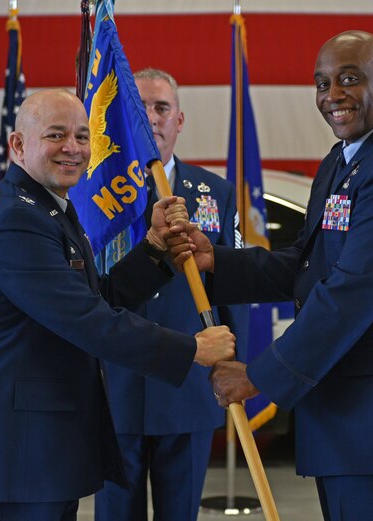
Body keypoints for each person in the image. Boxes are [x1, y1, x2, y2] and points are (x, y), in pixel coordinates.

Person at [170, 31, 373, 521]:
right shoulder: (347, 159)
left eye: (349, 79)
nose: (332, 95)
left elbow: (350, 294)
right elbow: (311, 263)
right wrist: (218, 262)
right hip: (353, 416)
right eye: (321, 83)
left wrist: (258, 376)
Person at [0, 88, 236, 521]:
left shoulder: (49, 209)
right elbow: (86, 320)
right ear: (18, 145)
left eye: (82, 136)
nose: (73, 149)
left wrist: (154, 249)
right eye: (56, 135)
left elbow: (92, 298)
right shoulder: (17, 221)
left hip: (40, 459)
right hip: (12, 463)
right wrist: (191, 350)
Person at [94, 68, 248, 521]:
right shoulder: (98, 197)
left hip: (187, 388)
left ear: (179, 121)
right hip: (115, 385)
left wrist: (236, 365)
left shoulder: (215, 194)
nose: (151, 117)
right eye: (139, 107)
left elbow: (232, 290)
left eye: (161, 107)